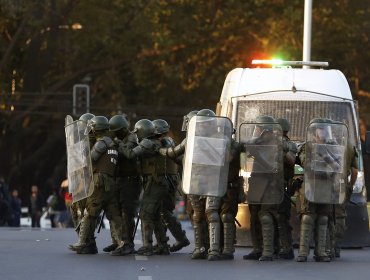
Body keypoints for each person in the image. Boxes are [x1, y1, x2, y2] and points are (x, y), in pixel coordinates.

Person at [69, 116, 125, 255]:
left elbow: (89, 159)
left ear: (96, 129)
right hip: (110, 182)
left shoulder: (101, 143)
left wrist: (80, 151)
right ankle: (122, 243)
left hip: (99, 182)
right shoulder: (113, 143)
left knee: (90, 212)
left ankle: (82, 242)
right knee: (113, 215)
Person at [119, 119, 172, 256]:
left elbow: (130, 154)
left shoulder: (147, 143)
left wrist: (120, 145)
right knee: (155, 215)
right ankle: (163, 245)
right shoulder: (156, 142)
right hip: (158, 183)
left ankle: (147, 246)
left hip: (155, 184)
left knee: (145, 214)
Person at [296, 118, 340, 262]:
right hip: (311, 185)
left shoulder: (333, 147)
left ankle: (321, 252)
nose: (322, 132)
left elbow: (337, 166)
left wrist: (323, 152)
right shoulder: (306, 147)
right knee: (308, 218)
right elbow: (305, 163)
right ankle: (303, 252)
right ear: (314, 132)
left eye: (324, 129)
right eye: (319, 129)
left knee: (323, 219)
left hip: (326, 186)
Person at [242, 115, 284, 261]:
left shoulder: (278, 144)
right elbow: (242, 159)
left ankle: (269, 251)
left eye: (258, 128)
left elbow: (273, 167)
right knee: (254, 216)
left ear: (265, 130)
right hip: (256, 184)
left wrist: (256, 153)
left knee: (266, 216)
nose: (256, 130)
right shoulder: (256, 143)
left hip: (271, 185)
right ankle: (257, 249)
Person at [152, 119, 190, 254]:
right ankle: (162, 242)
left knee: (163, 212)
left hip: (166, 180)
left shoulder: (164, 142)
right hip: (169, 180)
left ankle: (179, 238)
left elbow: (171, 155)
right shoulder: (168, 141)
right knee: (163, 212)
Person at [106, 114, 142, 256]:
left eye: (116, 131)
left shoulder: (131, 139)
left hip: (130, 180)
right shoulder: (119, 139)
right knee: (117, 211)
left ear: (122, 129)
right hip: (119, 179)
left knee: (127, 212)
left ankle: (128, 244)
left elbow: (129, 154)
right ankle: (119, 241)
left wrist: (118, 144)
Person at [328, 121, 358, 259]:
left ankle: (325, 247)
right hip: (342, 184)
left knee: (327, 215)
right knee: (340, 216)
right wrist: (350, 185)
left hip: (327, 184)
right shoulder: (350, 147)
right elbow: (354, 171)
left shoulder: (328, 145)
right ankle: (336, 248)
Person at [275, 118, 297, 259]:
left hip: (283, 185)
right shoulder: (270, 142)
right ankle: (271, 247)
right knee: (268, 217)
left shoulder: (290, 145)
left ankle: (287, 248)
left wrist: (280, 149)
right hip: (268, 184)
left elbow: (292, 160)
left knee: (282, 217)